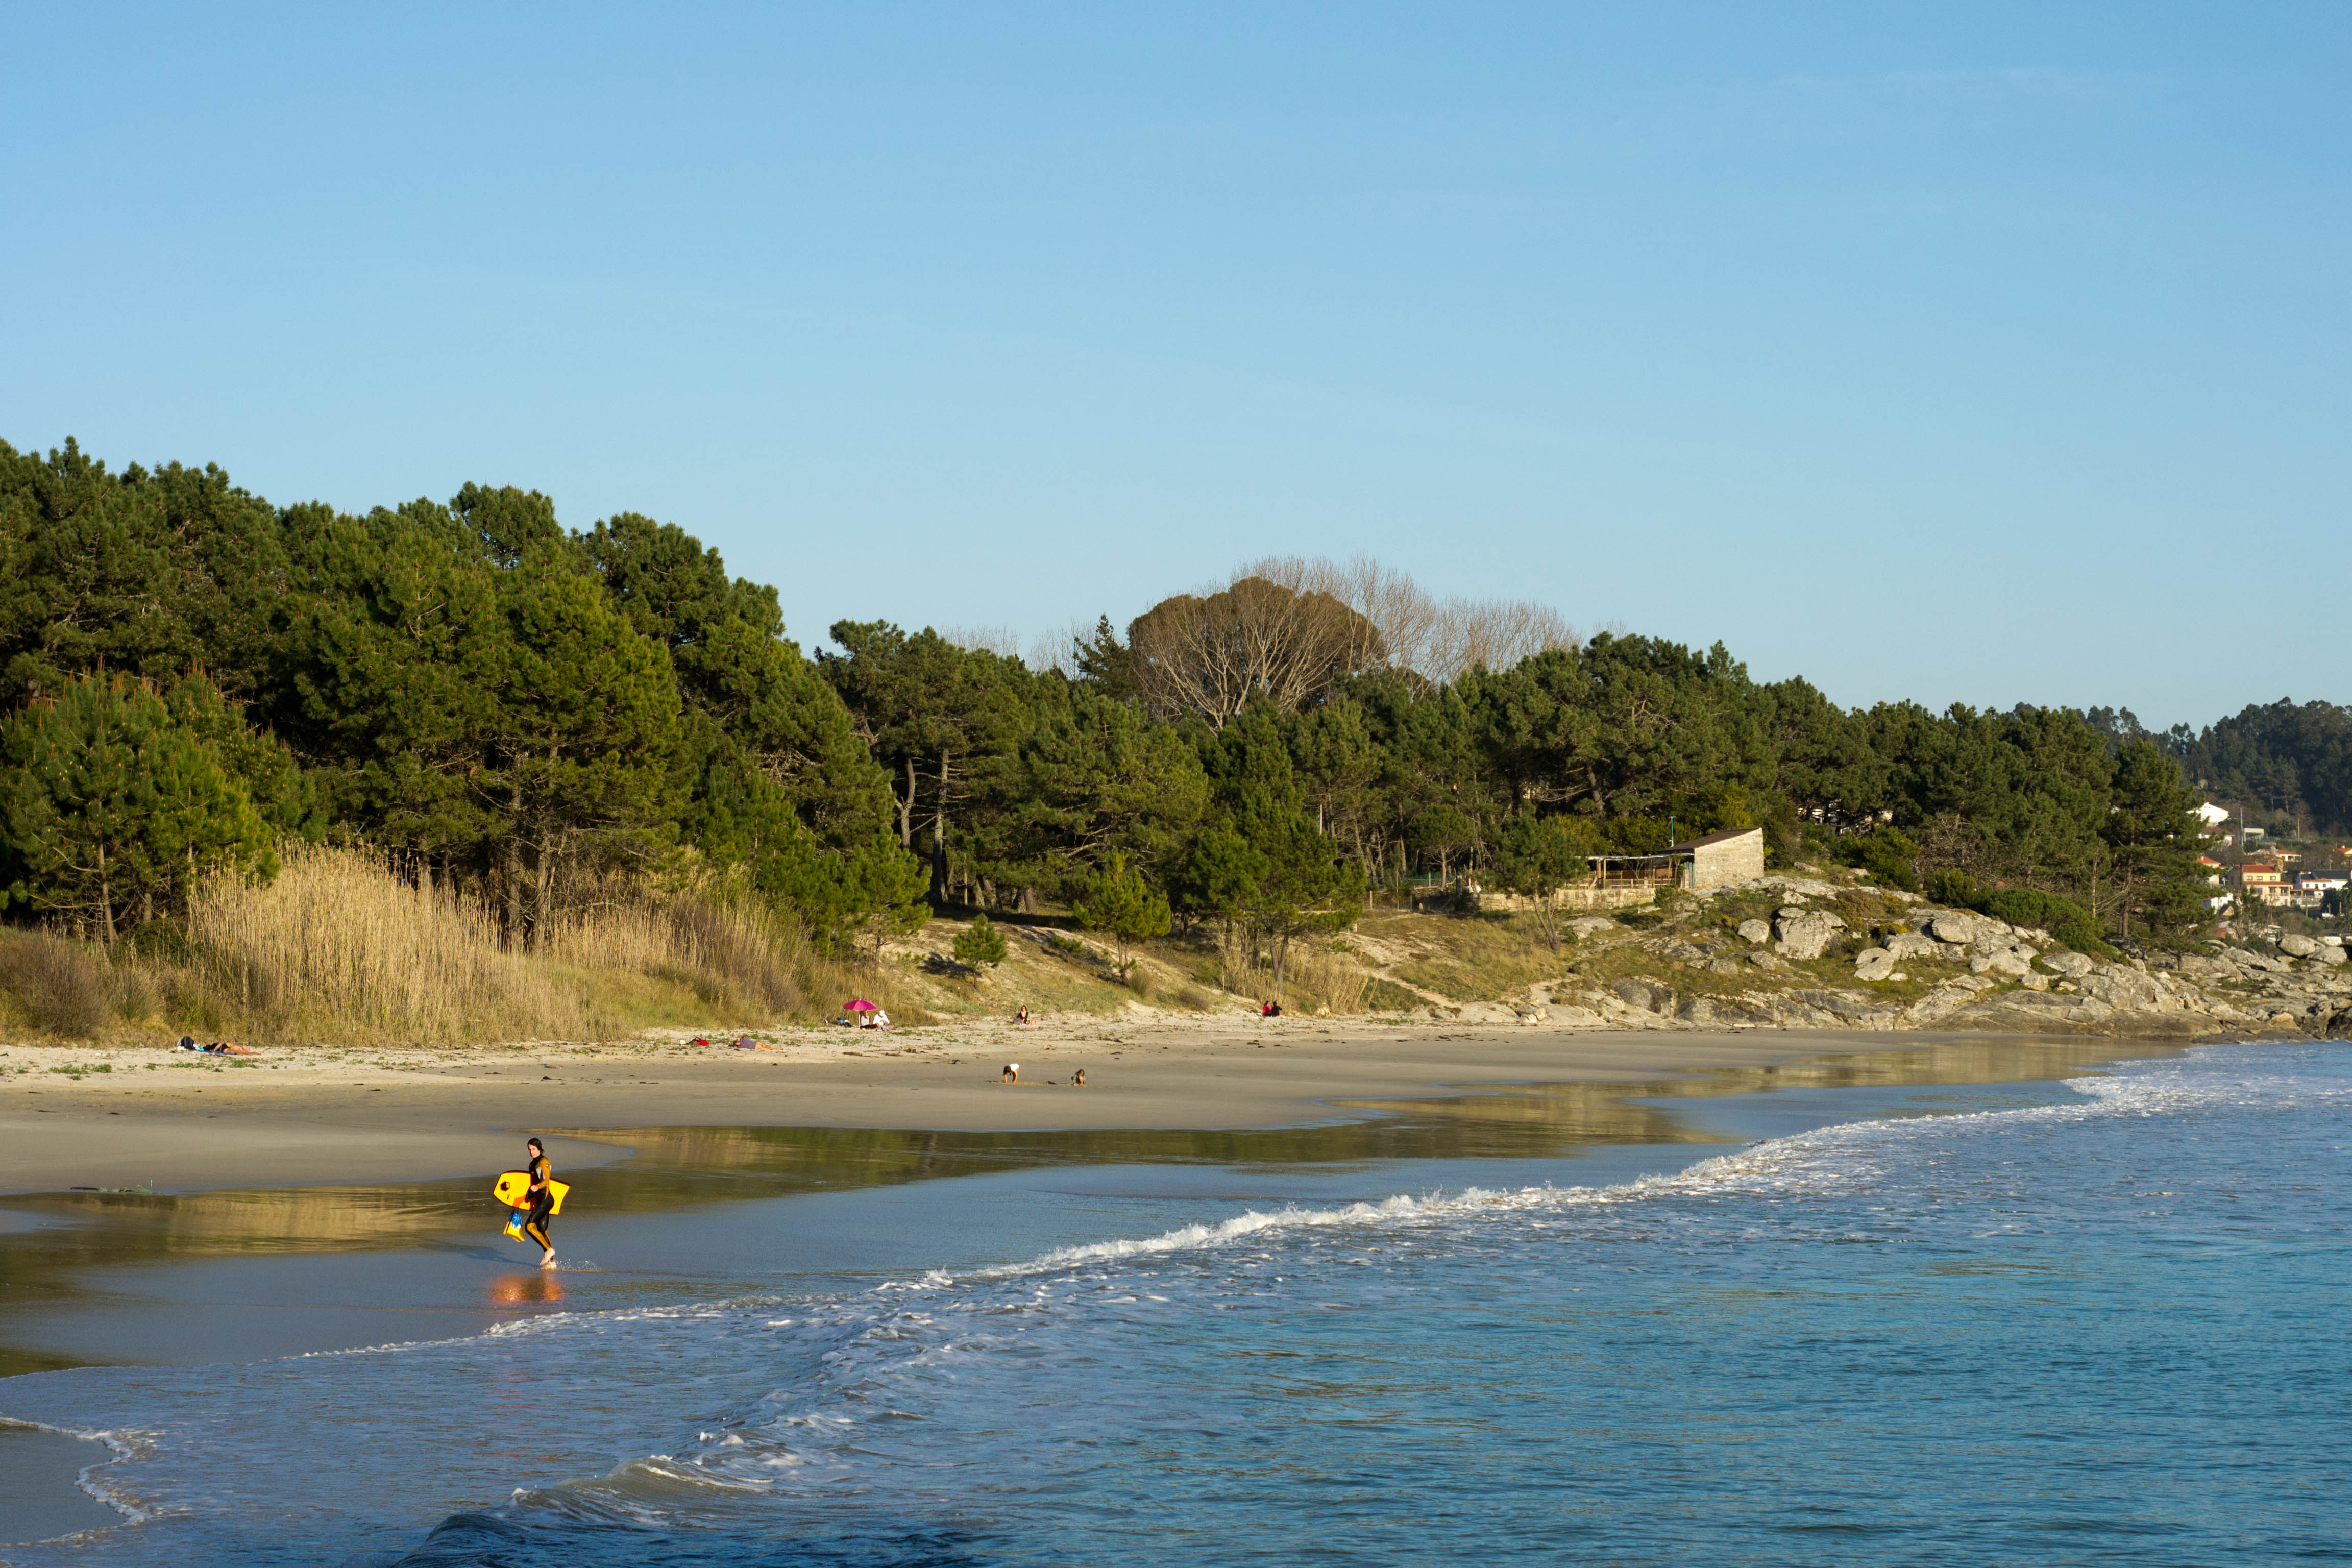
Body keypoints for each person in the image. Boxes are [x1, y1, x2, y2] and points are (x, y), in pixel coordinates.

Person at [522, 1136, 557, 1269]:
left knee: (529, 1227)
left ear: (540, 1149)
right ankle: (552, 1262)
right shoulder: (532, 1165)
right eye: (530, 1150)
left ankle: (549, 1250)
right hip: (540, 1201)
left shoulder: (544, 1162)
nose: (532, 1152)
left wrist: (537, 1187)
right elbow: (531, 1183)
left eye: (534, 1149)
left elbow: (546, 1181)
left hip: (547, 1200)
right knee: (543, 1230)